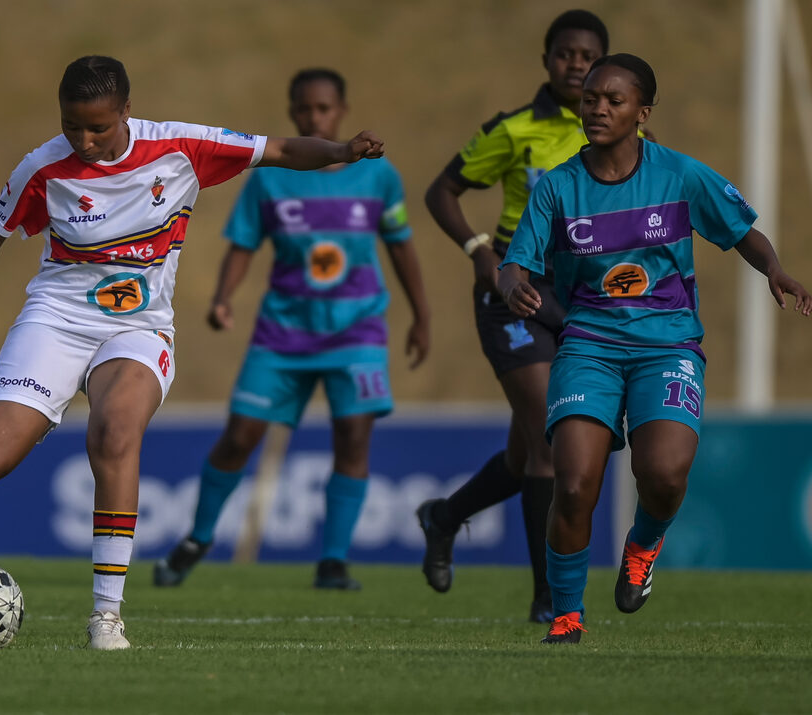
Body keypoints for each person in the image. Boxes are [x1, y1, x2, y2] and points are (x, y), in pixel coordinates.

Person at [0, 55, 389, 650]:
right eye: (71, 126)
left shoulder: (180, 146)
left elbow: (276, 151)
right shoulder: (43, 168)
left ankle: (106, 617)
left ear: (126, 112)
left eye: (97, 127)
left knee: (115, 432)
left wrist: (338, 152)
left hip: (140, 326)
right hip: (58, 319)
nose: (83, 141)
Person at [498, 53, 811, 644]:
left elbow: (742, 231)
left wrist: (775, 269)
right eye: (591, 98)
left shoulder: (680, 175)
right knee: (572, 484)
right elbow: (514, 264)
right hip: (588, 344)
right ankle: (566, 616)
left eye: (614, 100)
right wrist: (513, 285)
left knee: (664, 474)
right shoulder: (559, 188)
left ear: (642, 112)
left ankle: (642, 548)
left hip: (667, 347)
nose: (598, 108)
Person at [152, 68, 430, 591]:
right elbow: (244, 244)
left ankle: (333, 562)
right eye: (304, 110)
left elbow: (401, 244)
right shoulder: (271, 176)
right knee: (239, 437)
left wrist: (422, 314)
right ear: (292, 112)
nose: (314, 117)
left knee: (353, 437)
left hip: (357, 329)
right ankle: (198, 538)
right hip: (283, 332)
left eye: (324, 109)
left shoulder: (378, 175)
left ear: (341, 110)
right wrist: (221, 298)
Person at [418, 9, 611, 623]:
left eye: (588, 56)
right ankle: (547, 599)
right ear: (547, 60)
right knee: (552, 440)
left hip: (584, 296)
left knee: (525, 451)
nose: (576, 64)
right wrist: (479, 252)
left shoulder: (619, 136)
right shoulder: (516, 129)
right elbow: (441, 191)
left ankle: (444, 516)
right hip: (515, 288)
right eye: (565, 54)